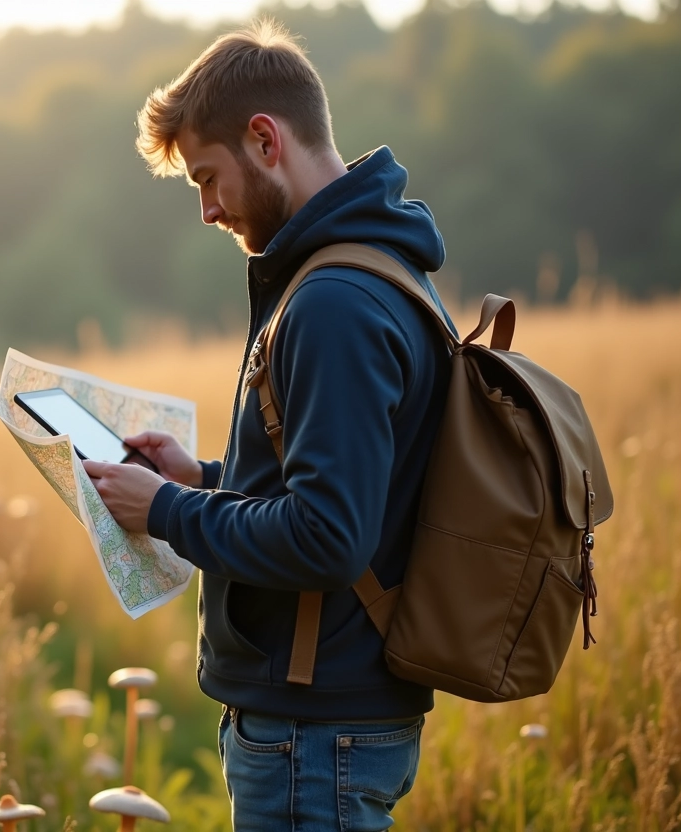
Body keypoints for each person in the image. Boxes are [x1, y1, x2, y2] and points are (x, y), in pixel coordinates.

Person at [82, 19, 458, 832]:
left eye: (208, 179)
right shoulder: (378, 268)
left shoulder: (332, 304)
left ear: (264, 139)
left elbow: (329, 537)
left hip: (313, 734)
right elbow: (352, 486)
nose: (209, 211)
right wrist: (203, 478)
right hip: (326, 725)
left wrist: (167, 511)